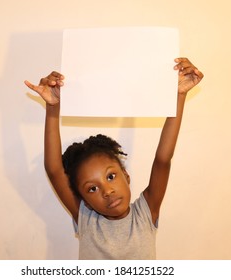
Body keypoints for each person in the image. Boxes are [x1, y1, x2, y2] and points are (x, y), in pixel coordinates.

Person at [24, 58, 203, 259]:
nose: (107, 191)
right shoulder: (86, 219)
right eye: (92, 188)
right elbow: (54, 169)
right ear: (86, 201)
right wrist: (53, 107)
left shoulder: (145, 213)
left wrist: (178, 96)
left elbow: (163, 159)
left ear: (126, 176)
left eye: (110, 177)